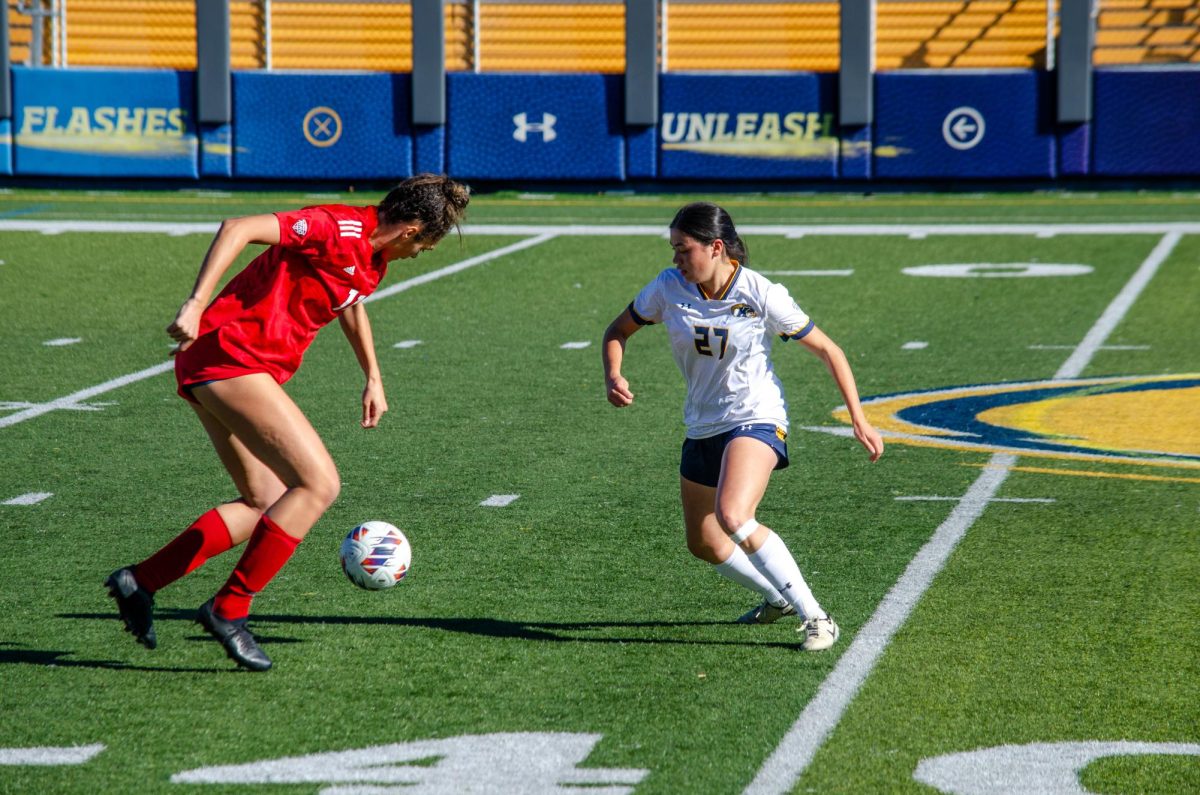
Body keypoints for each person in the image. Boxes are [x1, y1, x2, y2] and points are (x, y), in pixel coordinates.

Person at [105, 174, 470, 671]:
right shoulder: (334, 226)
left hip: (222, 365)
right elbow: (238, 227)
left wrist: (373, 375)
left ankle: (140, 581)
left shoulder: (373, 259)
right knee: (319, 485)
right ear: (411, 229)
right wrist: (194, 304)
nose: (421, 253)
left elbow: (351, 300)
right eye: (426, 244)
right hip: (229, 358)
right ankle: (228, 609)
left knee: (262, 503)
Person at [601, 202, 883, 651]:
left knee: (734, 515)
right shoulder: (667, 288)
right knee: (704, 543)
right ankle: (777, 597)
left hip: (757, 418)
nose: (675, 258)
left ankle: (817, 617)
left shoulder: (760, 293)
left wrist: (859, 418)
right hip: (701, 427)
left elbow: (830, 350)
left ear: (715, 248)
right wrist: (613, 375)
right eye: (672, 248)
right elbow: (616, 331)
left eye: (683, 248)